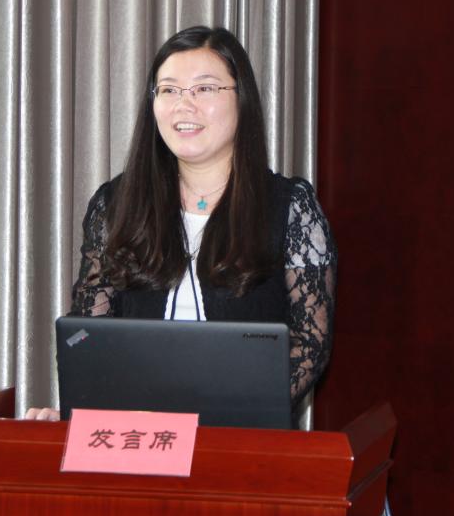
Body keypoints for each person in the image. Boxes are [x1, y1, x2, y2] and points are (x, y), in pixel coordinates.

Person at [26, 26, 336, 422]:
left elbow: (310, 342)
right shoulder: (115, 204)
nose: (183, 105)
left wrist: (231, 411)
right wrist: (82, 412)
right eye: (169, 90)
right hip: (135, 434)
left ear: (241, 99)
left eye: (204, 89)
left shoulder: (289, 207)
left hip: (239, 437)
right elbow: (88, 331)